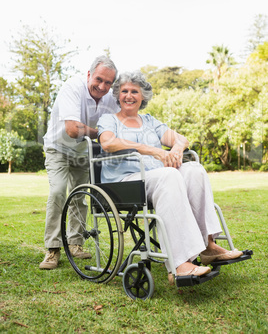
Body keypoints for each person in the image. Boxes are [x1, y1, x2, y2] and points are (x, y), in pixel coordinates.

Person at [97, 71, 243, 282]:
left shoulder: (149, 121)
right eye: (124, 91)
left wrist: (175, 149)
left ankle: (208, 246)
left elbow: (181, 139)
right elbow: (108, 143)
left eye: (134, 91)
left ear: (143, 96)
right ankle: (179, 264)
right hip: (124, 182)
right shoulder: (109, 120)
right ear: (118, 95)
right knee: (169, 175)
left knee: (194, 169)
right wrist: (152, 150)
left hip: (154, 177)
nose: (129, 95)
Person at [40, 56, 120, 269]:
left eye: (108, 83)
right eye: (99, 79)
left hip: (83, 152)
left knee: (81, 195)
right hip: (58, 148)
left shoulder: (111, 97)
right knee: (58, 191)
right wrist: (102, 133)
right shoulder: (73, 88)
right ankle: (53, 249)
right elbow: (73, 129)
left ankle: (75, 243)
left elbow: (121, 124)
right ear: (89, 75)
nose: (102, 87)